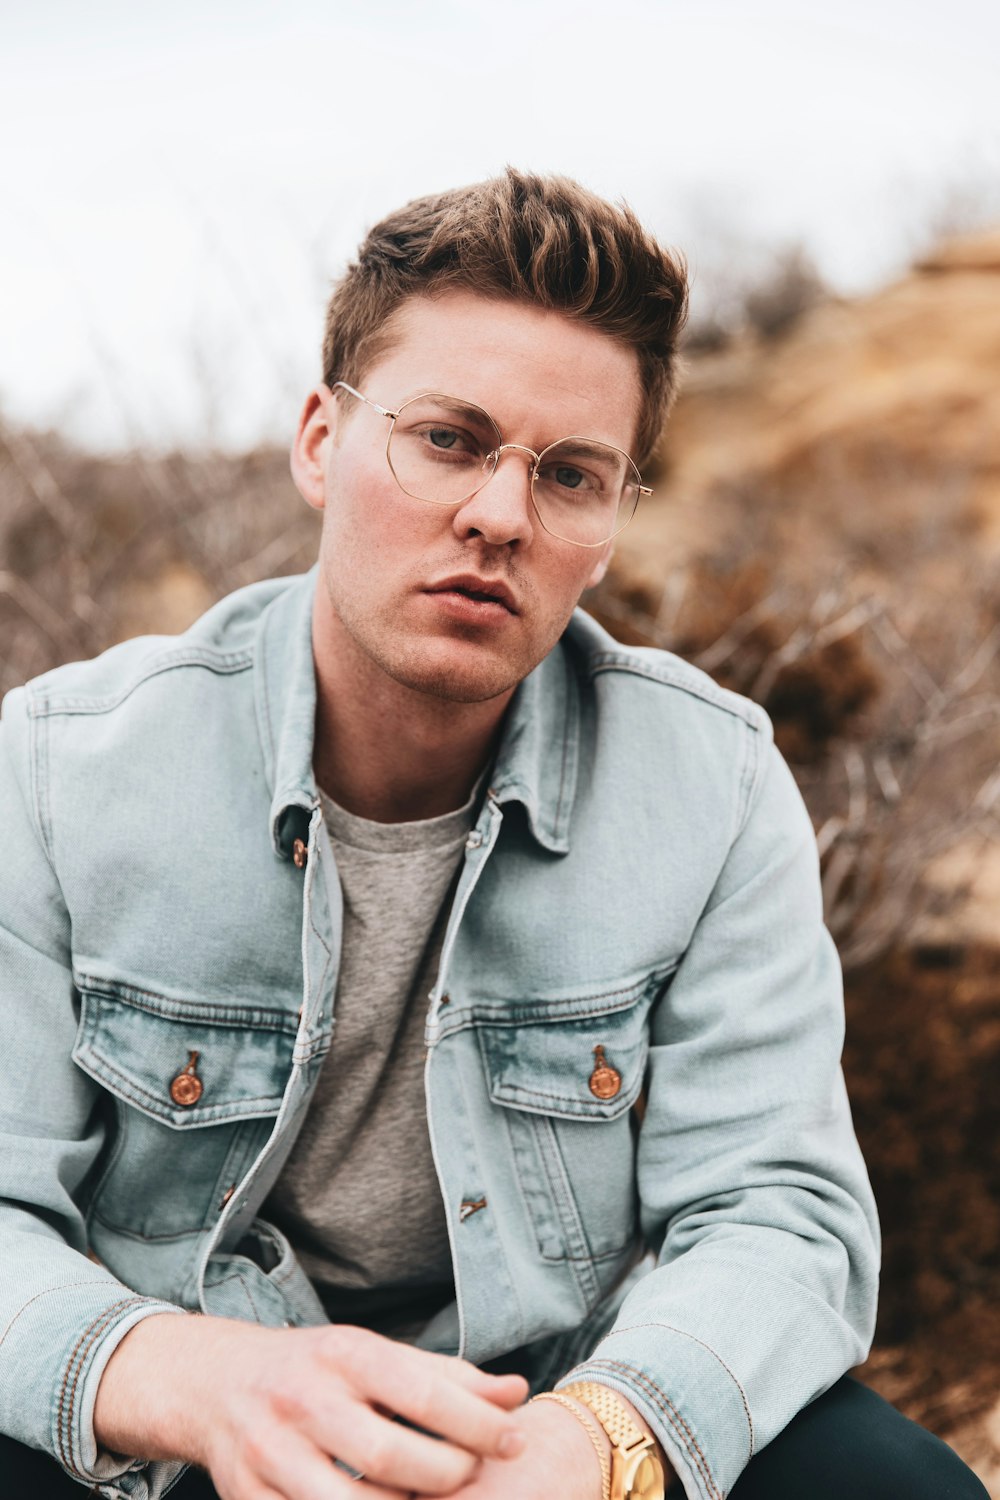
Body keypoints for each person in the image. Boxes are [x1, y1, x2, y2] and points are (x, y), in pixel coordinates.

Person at [0, 170, 987, 1500]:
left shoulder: (713, 787)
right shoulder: (60, 768)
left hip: (539, 1421)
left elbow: (778, 1214)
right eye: (450, 440)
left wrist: (598, 1443)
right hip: (174, 1437)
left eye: (570, 473)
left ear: (612, 519)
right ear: (316, 442)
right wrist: (188, 1383)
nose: (500, 516)